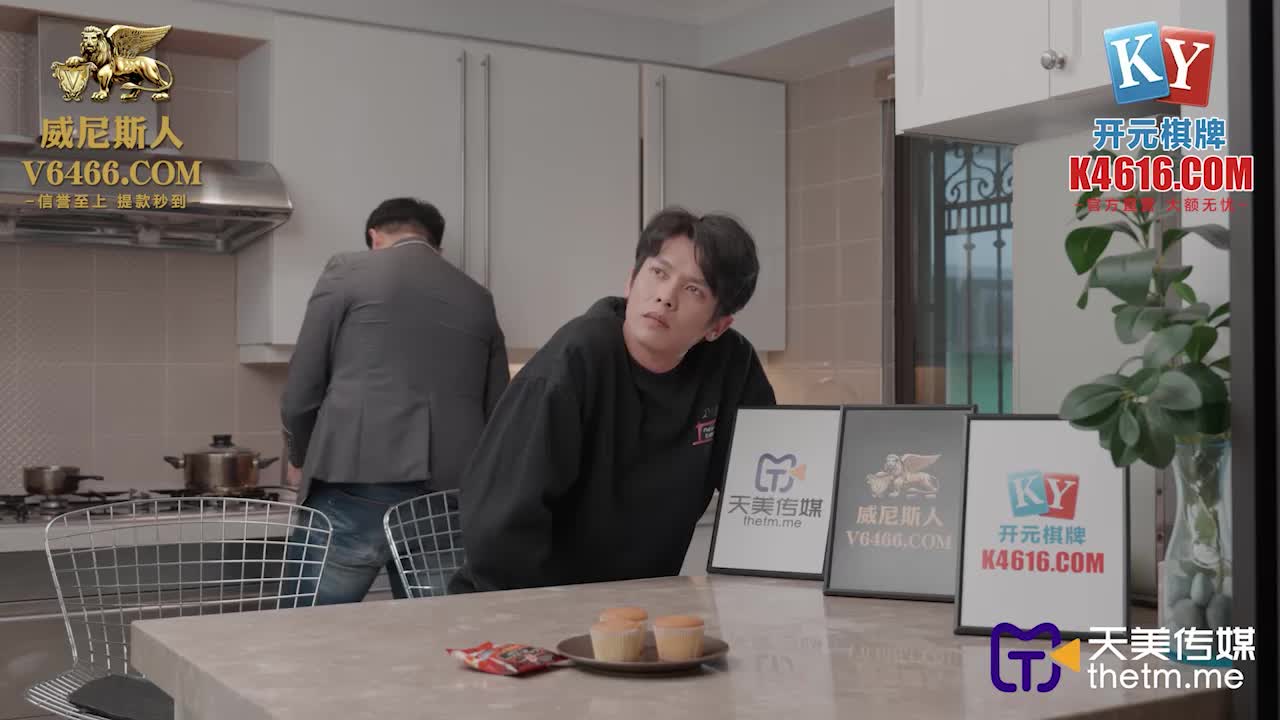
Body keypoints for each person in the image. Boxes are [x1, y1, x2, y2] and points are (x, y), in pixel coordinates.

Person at [448, 207, 777, 594]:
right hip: (523, 602)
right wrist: (553, 617)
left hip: (638, 606)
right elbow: (496, 530)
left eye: (694, 290)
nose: (665, 297)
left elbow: (769, 490)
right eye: (659, 273)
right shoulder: (573, 362)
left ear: (717, 326)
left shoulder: (731, 365)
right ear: (631, 280)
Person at [281, 197, 509, 604]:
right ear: (436, 246)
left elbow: (302, 388)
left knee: (308, 630)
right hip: (446, 500)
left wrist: (299, 456)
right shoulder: (478, 297)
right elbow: (499, 411)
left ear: (374, 237)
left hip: (355, 481)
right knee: (438, 631)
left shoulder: (347, 272)